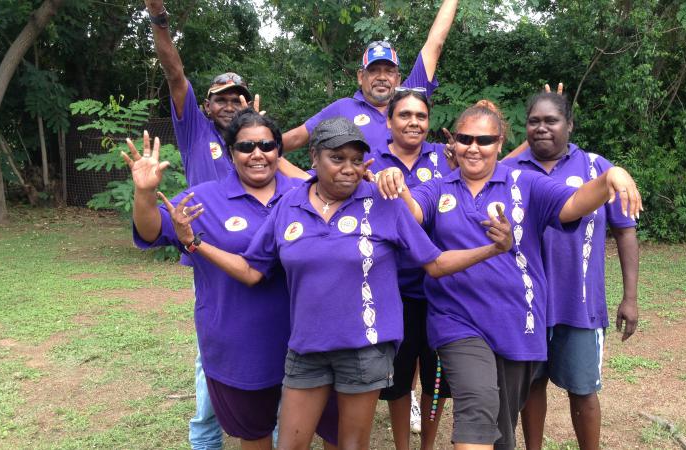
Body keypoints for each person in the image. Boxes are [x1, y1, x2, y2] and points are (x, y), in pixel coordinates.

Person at [164, 117, 513, 449]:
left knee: (351, 444)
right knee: (291, 443)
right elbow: (251, 270)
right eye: (337, 158)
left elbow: (435, 263)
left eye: (356, 159)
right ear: (314, 157)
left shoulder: (383, 204)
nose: (348, 167)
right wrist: (195, 242)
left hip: (365, 349)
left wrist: (493, 249)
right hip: (305, 349)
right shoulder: (289, 205)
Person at [376, 100, 642, 450]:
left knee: (503, 426)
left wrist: (612, 176)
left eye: (483, 140)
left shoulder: (525, 183)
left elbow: (575, 203)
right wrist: (395, 182)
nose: (473, 147)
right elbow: (412, 208)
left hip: (517, 323)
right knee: (478, 403)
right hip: (456, 321)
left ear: (500, 142)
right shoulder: (440, 188)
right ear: (453, 142)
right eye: (465, 139)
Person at [124, 111, 338, 450]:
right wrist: (145, 194)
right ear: (230, 153)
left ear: (279, 151)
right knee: (255, 436)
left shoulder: (306, 193)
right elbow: (152, 231)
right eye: (246, 146)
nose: (257, 153)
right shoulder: (204, 199)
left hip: (309, 344)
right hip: (240, 349)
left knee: (313, 433)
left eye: (267, 145)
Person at [144, 1, 260, 447]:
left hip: (257, 255)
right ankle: (206, 438)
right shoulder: (194, 130)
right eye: (221, 99)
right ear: (207, 105)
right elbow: (175, 74)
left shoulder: (256, 144)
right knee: (209, 351)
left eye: (238, 99)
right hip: (206, 257)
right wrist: (159, 20)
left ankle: (267, 429)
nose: (229, 105)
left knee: (269, 341)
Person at [504, 93, 639, 450]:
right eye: (534, 121)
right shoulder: (511, 172)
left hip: (579, 306)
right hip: (527, 305)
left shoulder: (597, 168)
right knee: (532, 386)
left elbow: (625, 232)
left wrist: (630, 298)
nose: (542, 128)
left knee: (583, 390)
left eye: (552, 121)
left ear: (570, 125)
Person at [369, 88, 453, 450]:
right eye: (404, 115)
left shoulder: (446, 158)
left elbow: (494, 160)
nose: (413, 122)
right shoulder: (369, 161)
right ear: (389, 122)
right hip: (392, 290)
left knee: (436, 377)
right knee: (399, 380)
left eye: (420, 116)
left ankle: (428, 446)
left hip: (441, 290)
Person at [279, 0, 458, 155]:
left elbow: (435, 43)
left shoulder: (410, 97)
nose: (381, 77)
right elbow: (296, 138)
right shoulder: (342, 108)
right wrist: (255, 142)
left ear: (398, 78)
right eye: (373, 71)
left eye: (389, 71)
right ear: (360, 76)